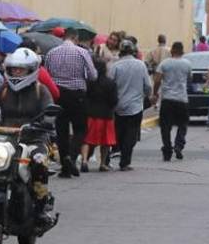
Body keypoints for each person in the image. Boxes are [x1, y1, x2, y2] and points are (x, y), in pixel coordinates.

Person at [42, 28, 96, 178]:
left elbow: (47, 74)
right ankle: (71, 157)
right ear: (75, 38)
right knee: (81, 129)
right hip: (77, 94)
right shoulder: (82, 52)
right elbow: (92, 75)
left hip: (58, 94)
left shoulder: (52, 53)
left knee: (62, 129)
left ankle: (65, 164)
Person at [0, 47, 54, 127]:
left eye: (22, 69)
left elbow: (49, 110)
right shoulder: (4, 88)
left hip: (35, 135)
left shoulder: (40, 89)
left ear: (31, 70)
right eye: (14, 68)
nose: (17, 71)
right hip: (4, 135)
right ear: (9, 69)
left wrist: (48, 121)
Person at [109, 39, 153, 171]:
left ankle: (120, 151)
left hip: (118, 106)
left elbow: (110, 84)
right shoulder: (140, 65)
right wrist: (146, 95)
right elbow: (148, 86)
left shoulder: (116, 66)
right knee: (131, 134)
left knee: (120, 132)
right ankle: (125, 161)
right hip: (135, 106)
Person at [154, 41, 191, 161]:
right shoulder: (187, 64)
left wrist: (155, 93)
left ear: (172, 51)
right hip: (182, 99)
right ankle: (179, 145)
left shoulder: (164, 63)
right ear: (182, 51)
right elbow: (189, 80)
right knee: (183, 124)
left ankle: (167, 149)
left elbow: (157, 80)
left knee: (166, 127)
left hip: (167, 99)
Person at [80, 59, 118, 172]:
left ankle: (84, 161)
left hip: (91, 114)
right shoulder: (111, 83)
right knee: (106, 142)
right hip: (106, 115)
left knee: (86, 139)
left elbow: (85, 97)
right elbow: (114, 100)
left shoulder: (89, 82)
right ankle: (102, 163)